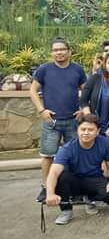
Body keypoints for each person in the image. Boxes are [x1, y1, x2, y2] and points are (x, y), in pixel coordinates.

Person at [30, 38, 87, 203]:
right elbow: (33, 91)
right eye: (55, 50)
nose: (59, 52)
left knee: (75, 155)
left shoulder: (77, 70)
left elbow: (86, 91)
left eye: (62, 49)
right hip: (51, 121)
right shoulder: (44, 70)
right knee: (48, 155)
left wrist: (83, 109)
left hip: (73, 121)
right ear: (51, 52)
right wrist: (42, 110)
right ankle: (46, 188)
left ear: (69, 51)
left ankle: (76, 189)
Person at [44, 114, 109, 225]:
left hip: (94, 178)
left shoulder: (105, 143)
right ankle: (66, 211)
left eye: (90, 130)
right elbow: (53, 172)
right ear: (77, 130)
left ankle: (89, 199)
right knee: (61, 177)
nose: (86, 133)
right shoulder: (67, 148)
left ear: (98, 131)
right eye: (83, 129)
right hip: (74, 180)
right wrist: (50, 194)